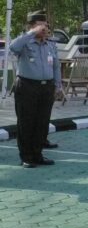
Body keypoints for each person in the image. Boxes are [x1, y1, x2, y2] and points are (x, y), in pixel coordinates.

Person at [10, 11, 61, 168]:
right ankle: (26, 157)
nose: (44, 28)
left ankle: (38, 154)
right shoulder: (25, 42)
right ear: (31, 26)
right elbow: (13, 47)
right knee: (27, 123)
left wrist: (58, 85)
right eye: (40, 25)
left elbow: (56, 66)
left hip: (46, 87)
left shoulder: (50, 43)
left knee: (42, 123)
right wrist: (32, 33)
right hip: (27, 86)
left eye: (45, 25)